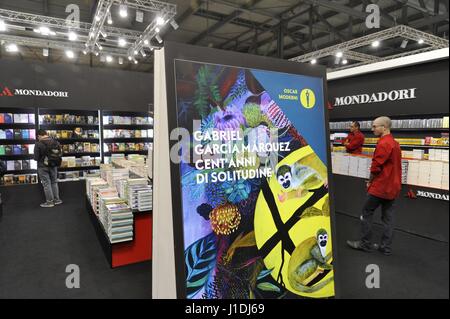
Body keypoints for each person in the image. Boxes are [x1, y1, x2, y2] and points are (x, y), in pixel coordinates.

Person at [347, 117, 402, 256]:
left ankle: (365, 244)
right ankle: (385, 247)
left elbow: (376, 167)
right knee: (388, 218)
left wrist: (370, 181)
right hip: (393, 187)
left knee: (366, 213)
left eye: (374, 126)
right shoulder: (395, 143)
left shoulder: (383, 143)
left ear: (384, 127)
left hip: (381, 186)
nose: (372, 129)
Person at [34, 129, 63, 208]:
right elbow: (60, 153)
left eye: (38, 137)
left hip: (42, 166)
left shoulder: (38, 143)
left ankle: (49, 202)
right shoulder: (55, 142)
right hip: (54, 165)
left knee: (46, 184)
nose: (38, 138)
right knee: (54, 182)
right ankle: (57, 200)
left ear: (39, 136)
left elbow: (36, 158)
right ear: (46, 134)